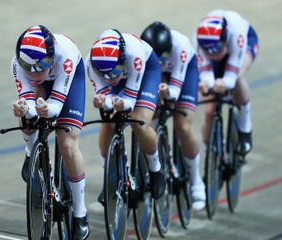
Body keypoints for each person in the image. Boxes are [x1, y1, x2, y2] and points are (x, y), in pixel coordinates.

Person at [11, 25, 89, 240]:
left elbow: (55, 107)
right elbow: (28, 103)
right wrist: (25, 109)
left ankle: (80, 215)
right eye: (29, 68)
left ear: (51, 58)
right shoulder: (18, 64)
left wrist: (47, 109)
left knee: (67, 143)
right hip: (43, 89)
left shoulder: (66, 56)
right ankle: (30, 154)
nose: (34, 73)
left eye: (41, 66)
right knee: (26, 118)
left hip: (69, 82)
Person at [86, 29, 166, 204]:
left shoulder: (134, 55)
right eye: (104, 75)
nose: (109, 78)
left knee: (139, 122)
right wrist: (103, 101)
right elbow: (106, 97)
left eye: (113, 73)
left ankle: (155, 169)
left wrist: (121, 103)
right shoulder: (92, 65)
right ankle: (110, 178)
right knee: (108, 123)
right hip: (123, 73)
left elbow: (129, 101)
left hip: (145, 74)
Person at [141, 21, 206, 210]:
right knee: (148, 121)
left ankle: (196, 181)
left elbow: (175, 91)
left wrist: (167, 91)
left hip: (184, 75)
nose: (160, 63)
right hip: (158, 76)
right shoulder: (143, 52)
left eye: (162, 59)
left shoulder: (181, 48)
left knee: (183, 126)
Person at [195, 10, 259, 155]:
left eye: (216, 50)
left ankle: (245, 129)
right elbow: (205, 73)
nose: (213, 55)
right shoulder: (199, 40)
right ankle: (212, 152)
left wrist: (225, 82)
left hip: (246, 43)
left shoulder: (237, 34)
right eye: (209, 52)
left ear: (225, 40)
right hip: (218, 44)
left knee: (237, 78)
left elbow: (231, 76)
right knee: (209, 110)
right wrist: (206, 83)